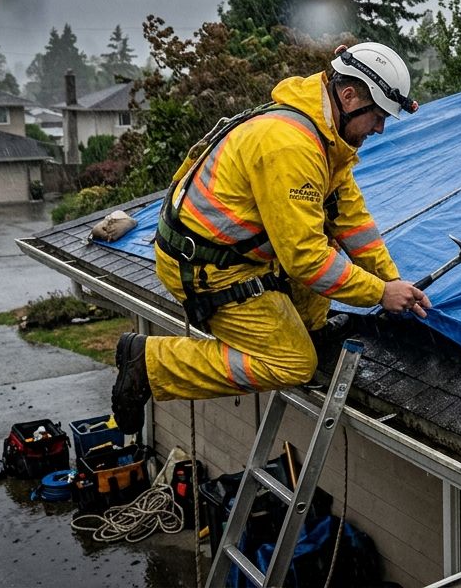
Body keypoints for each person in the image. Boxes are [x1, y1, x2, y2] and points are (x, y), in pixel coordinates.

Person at [111, 42, 432, 433]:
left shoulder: (325, 134)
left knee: (326, 243)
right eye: (378, 115)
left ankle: (309, 328)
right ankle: (150, 363)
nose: (380, 128)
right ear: (348, 96)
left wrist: (391, 278)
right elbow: (306, 262)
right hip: (206, 267)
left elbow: (351, 221)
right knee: (295, 362)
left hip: (236, 252)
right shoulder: (290, 146)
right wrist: (380, 295)